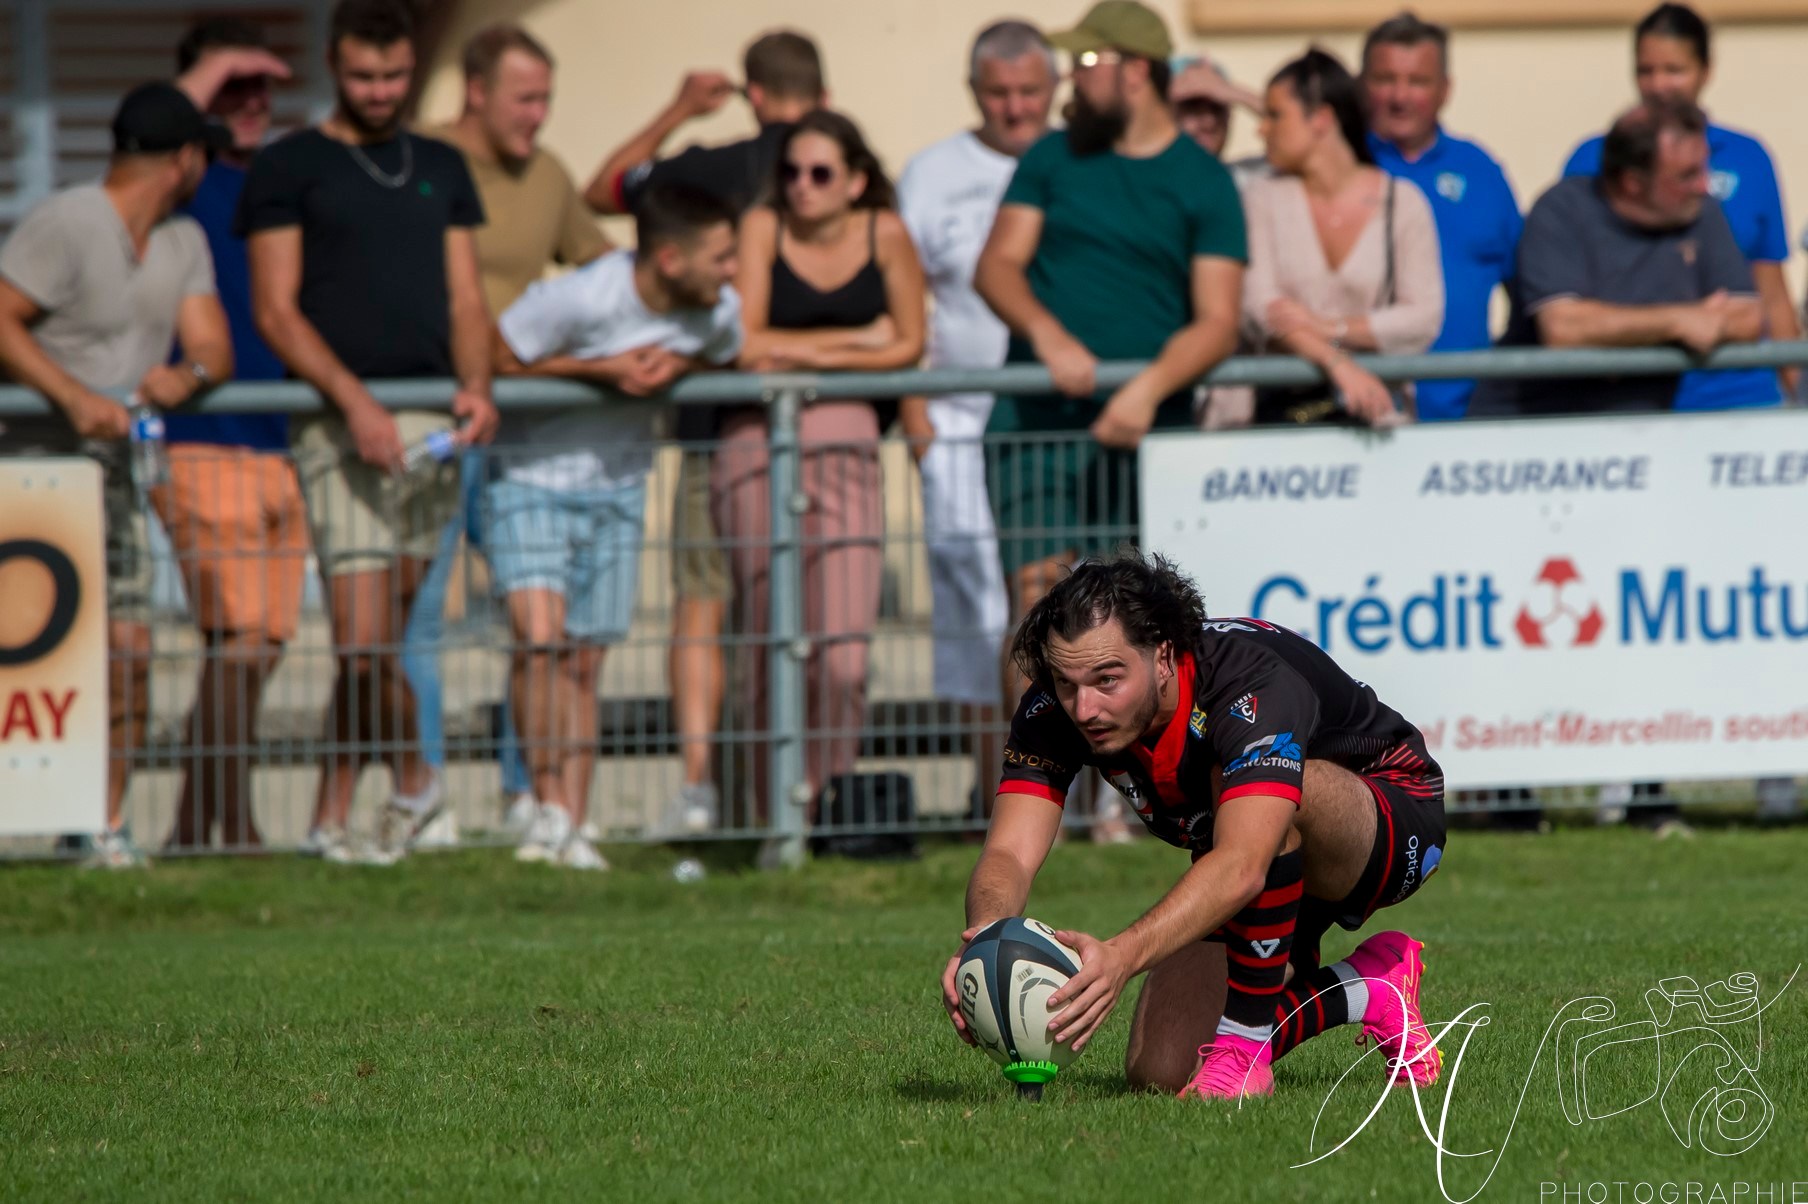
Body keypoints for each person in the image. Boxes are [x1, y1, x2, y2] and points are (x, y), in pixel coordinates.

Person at [938, 553, 1448, 1100]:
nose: (1084, 707)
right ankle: (1370, 986)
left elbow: (1243, 862)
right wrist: (985, 946)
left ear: (1162, 656)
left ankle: (1245, 1048)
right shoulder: (1057, 706)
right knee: (1161, 1069)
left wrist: (1124, 954)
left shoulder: (1247, 681)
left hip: (1386, 817)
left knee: (1272, 802)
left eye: (1108, 680)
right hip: (1247, 851)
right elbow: (1010, 853)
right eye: (1067, 683)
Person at [973, 0, 1246, 836]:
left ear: (1135, 70)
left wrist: (1146, 385)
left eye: (1086, 63)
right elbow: (999, 266)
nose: (1070, 78)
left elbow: (1218, 318)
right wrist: (1049, 335)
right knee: (1038, 606)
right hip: (1037, 426)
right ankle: (1030, 800)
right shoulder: (1053, 158)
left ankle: (1133, 802)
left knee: (1137, 624)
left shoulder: (1203, 179)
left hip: (1144, 438)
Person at [240, 0, 499, 864]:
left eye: (394, 76)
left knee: (381, 642)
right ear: (333, 65)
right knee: (361, 642)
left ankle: (331, 816)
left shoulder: (440, 162)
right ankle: (421, 788)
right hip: (338, 424)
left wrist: (476, 387)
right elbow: (276, 312)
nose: (380, 92)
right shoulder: (289, 165)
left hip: (430, 425)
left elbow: (466, 297)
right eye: (362, 76)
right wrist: (354, 404)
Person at [585, 31, 828, 834]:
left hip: (709, 421)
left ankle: (700, 791)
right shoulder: (835, 167)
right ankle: (805, 792)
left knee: (703, 605)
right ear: (818, 94)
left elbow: (604, 187)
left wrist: (679, 109)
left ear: (754, 93)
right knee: (802, 610)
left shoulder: (711, 164)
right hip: (817, 418)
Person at [0, 82, 233, 868]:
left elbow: (213, 347)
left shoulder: (184, 240)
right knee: (25, 654)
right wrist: (72, 398)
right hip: (33, 478)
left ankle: (98, 825)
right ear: (184, 158)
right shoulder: (67, 222)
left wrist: (186, 375)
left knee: (129, 651)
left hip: (119, 478)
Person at [489, 185, 742, 871]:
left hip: (620, 491)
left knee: (583, 660)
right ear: (668, 258)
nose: (734, 270)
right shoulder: (580, 297)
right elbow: (492, 354)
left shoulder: (714, 308)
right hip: (531, 478)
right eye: (721, 257)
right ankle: (540, 807)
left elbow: (729, 349)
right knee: (539, 643)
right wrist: (597, 372)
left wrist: (683, 363)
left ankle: (572, 819)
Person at [411, 22, 612, 836]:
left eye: (547, 99)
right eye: (525, 99)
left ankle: (530, 797)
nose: (538, 115)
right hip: (432, 414)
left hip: (522, 427)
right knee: (417, 613)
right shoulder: (419, 159)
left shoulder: (548, 172)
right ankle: (421, 797)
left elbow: (602, 271)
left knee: (539, 623)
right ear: (476, 91)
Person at [715, 110, 925, 841]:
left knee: (840, 653)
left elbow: (908, 343)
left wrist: (800, 353)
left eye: (821, 174)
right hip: (754, 447)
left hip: (847, 448)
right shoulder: (763, 227)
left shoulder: (885, 234)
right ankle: (766, 820)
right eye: (791, 173)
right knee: (769, 647)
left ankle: (827, 812)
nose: (801, 188)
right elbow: (745, 345)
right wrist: (855, 341)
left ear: (856, 181)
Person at [147, 18, 306, 853]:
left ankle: (189, 827)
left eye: (261, 89)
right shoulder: (179, 179)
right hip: (203, 437)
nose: (250, 104)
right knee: (238, 640)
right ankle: (230, 827)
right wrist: (211, 71)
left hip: (280, 440)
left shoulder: (279, 181)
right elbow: (155, 124)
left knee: (257, 646)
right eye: (230, 88)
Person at [896, 20, 1057, 827]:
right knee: (973, 605)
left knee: (1056, 606)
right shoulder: (933, 173)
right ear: (975, 93)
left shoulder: (1069, 163)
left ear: (1053, 90)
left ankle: (1076, 794)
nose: (1017, 108)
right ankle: (984, 785)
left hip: (1046, 413)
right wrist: (916, 412)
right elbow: (905, 289)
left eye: (1031, 92)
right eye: (1000, 94)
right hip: (957, 416)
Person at [1561, 2, 1798, 410]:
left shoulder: (1748, 158)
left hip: (1736, 396)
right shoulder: (1593, 159)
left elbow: (1770, 287)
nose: (1658, 86)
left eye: (1674, 71)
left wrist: (1793, 386)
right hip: (1630, 398)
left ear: (1705, 71)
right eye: (1645, 71)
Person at [1239, 49, 1443, 427]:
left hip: (1377, 422)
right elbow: (1260, 309)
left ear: (1322, 119)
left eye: (1275, 115)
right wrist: (1338, 364)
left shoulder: (1403, 203)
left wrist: (1326, 328)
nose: (1261, 128)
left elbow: (1422, 319)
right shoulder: (1261, 198)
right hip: (1281, 425)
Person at [1361, 12, 1521, 422]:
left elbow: (1524, 293)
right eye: (1385, 80)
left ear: (1445, 90)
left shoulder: (1481, 171)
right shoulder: (1343, 165)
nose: (1400, 96)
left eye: (1417, 81)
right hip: (1362, 411)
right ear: (1362, 86)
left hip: (1468, 416)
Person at [1168, 56, 1266, 187]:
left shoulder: (1245, 179)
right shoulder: (1141, 182)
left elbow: (1302, 139)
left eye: (1217, 108)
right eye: (1193, 107)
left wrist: (1239, 94)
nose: (1209, 122)